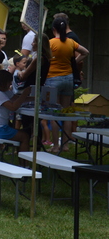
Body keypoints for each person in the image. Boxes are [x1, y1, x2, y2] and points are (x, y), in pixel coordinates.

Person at [47, 17, 89, 153]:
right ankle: (65, 144)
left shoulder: (51, 43)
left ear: (54, 30)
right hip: (68, 78)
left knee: (53, 112)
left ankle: (55, 145)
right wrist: (74, 63)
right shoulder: (71, 42)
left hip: (53, 78)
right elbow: (85, 52)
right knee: (66, 112)